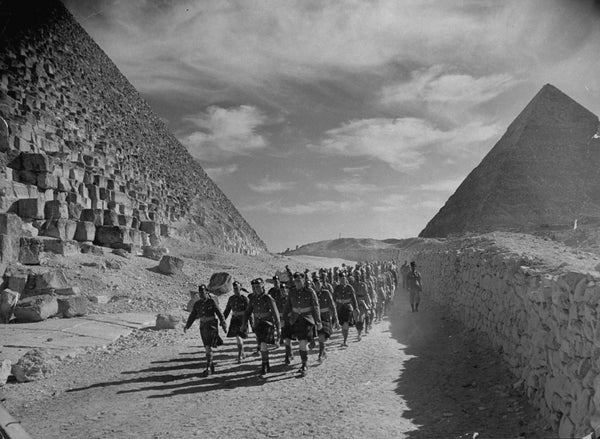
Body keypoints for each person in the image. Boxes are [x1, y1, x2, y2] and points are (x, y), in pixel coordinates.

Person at [283, 272, 321, 376]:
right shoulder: (292, 292)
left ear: (304, 280)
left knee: (302, 343)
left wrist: (318, 322)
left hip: (307, 319)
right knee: (301, 342)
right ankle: (311, 341)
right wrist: (284, 318)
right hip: (296, 320)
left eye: (299, 281)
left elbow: (316, 307)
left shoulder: (310, 291)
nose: (298, 283)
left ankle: (304, 364)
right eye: (296, 281)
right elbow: (288, 306)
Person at [184, 284, 227, 376]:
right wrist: (187, 325)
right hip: (203, 327)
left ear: (207, 292)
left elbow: (219, 313)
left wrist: (223, 324)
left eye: (203, 292)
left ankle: (208, 368)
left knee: (208, 347)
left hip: (212, 326)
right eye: (200, 293)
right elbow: (192, 315)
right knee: (206, 347)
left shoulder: (211, 302)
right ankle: (211, 366)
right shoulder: (197, 304)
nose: (201, 294)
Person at [243, 278, 281, 376]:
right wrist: (244, 324)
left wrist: (278, 327)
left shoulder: (268, 298)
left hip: (267, 324)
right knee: (261, 345)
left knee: (263, 344)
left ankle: (264, 364)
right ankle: (266, 364)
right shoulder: (253, 299)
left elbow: (275, 313)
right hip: (258, 324)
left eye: (258, 287)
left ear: (263, 286)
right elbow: (247, 312)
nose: (256, 289)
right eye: (254, 287)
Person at [223, 281, 251, 363]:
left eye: (237, 288)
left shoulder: (245, 299)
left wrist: (252, 323)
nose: (235, 290)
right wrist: (223, 320)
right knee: (238, 337)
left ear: (240, 288)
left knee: (239, 337)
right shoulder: (231, 299)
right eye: (234, 288)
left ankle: (240, 354)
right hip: (234, 320)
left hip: (243, 320)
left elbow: (249, 311)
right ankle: (241, 354)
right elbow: (227, 310)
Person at [313, 277, 339, 362]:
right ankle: (322, 353)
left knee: (322, 337)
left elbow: (332, 306)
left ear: (321, 284)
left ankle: (321, 354)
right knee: (321, 337)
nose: (317, 285)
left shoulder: (326, 293)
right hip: (316, 318)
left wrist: (336, 319)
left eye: (318, 283)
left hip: (326, 317)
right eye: (315, 284)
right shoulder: (312, 294)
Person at [333, 272, 358, 347]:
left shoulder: (349, 287)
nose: (343, 280)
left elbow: (354, 299)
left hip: (348, 308)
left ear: (346, 278)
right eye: (341, 279)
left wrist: (356, 308)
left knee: (346, 325)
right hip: (340, 308)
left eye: (344, 278)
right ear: (339, 279)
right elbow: (333, 299)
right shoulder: (337, 288)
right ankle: (344, 337)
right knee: (342, 325)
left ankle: (345, 341)